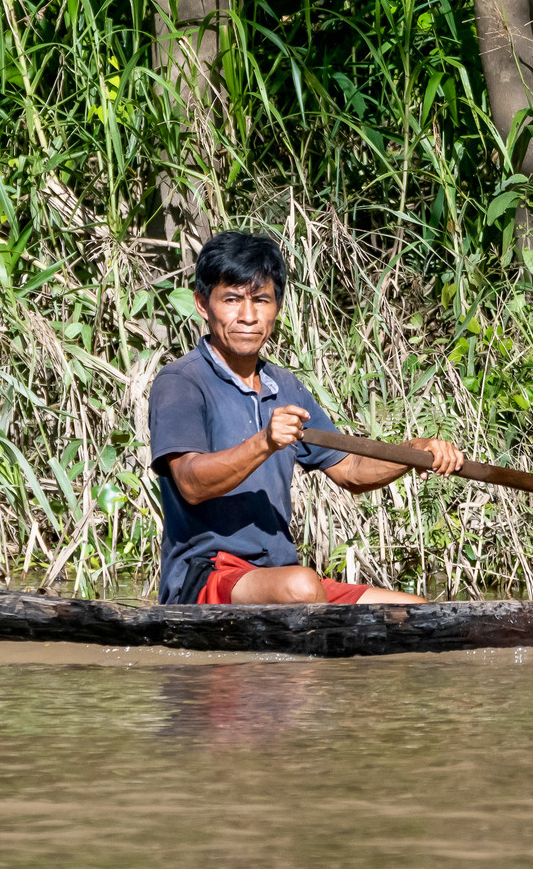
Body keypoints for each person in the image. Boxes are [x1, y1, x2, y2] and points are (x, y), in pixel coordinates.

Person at [146, 229, 463, 605]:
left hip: (279, 576)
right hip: (206, 575)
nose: (247, 316)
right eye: (231, 300)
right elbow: (191, 484)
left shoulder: (285, 386)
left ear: (276, 307)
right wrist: (264, 442)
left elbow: (351, 471)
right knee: (301, 586)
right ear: (203, 304)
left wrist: (415, 452)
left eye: (261, 300)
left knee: (414, 610)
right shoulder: (181, 382)